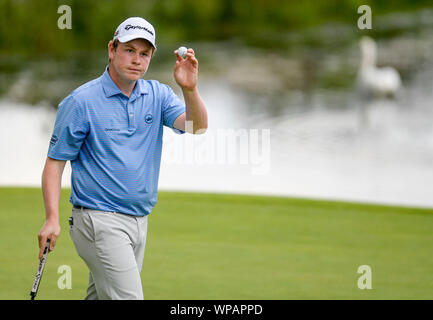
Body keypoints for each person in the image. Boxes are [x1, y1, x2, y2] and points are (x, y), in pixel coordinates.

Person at [37, 16, 208, 300]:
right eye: (129, 50)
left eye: (144, 54)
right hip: (98, 220)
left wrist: (189, 90)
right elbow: (55, 164)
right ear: (112, 50)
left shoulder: (158, 94)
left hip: (139, 221)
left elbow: (197, 127)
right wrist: (51, 219)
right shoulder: (81, 102)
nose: (137, 60)